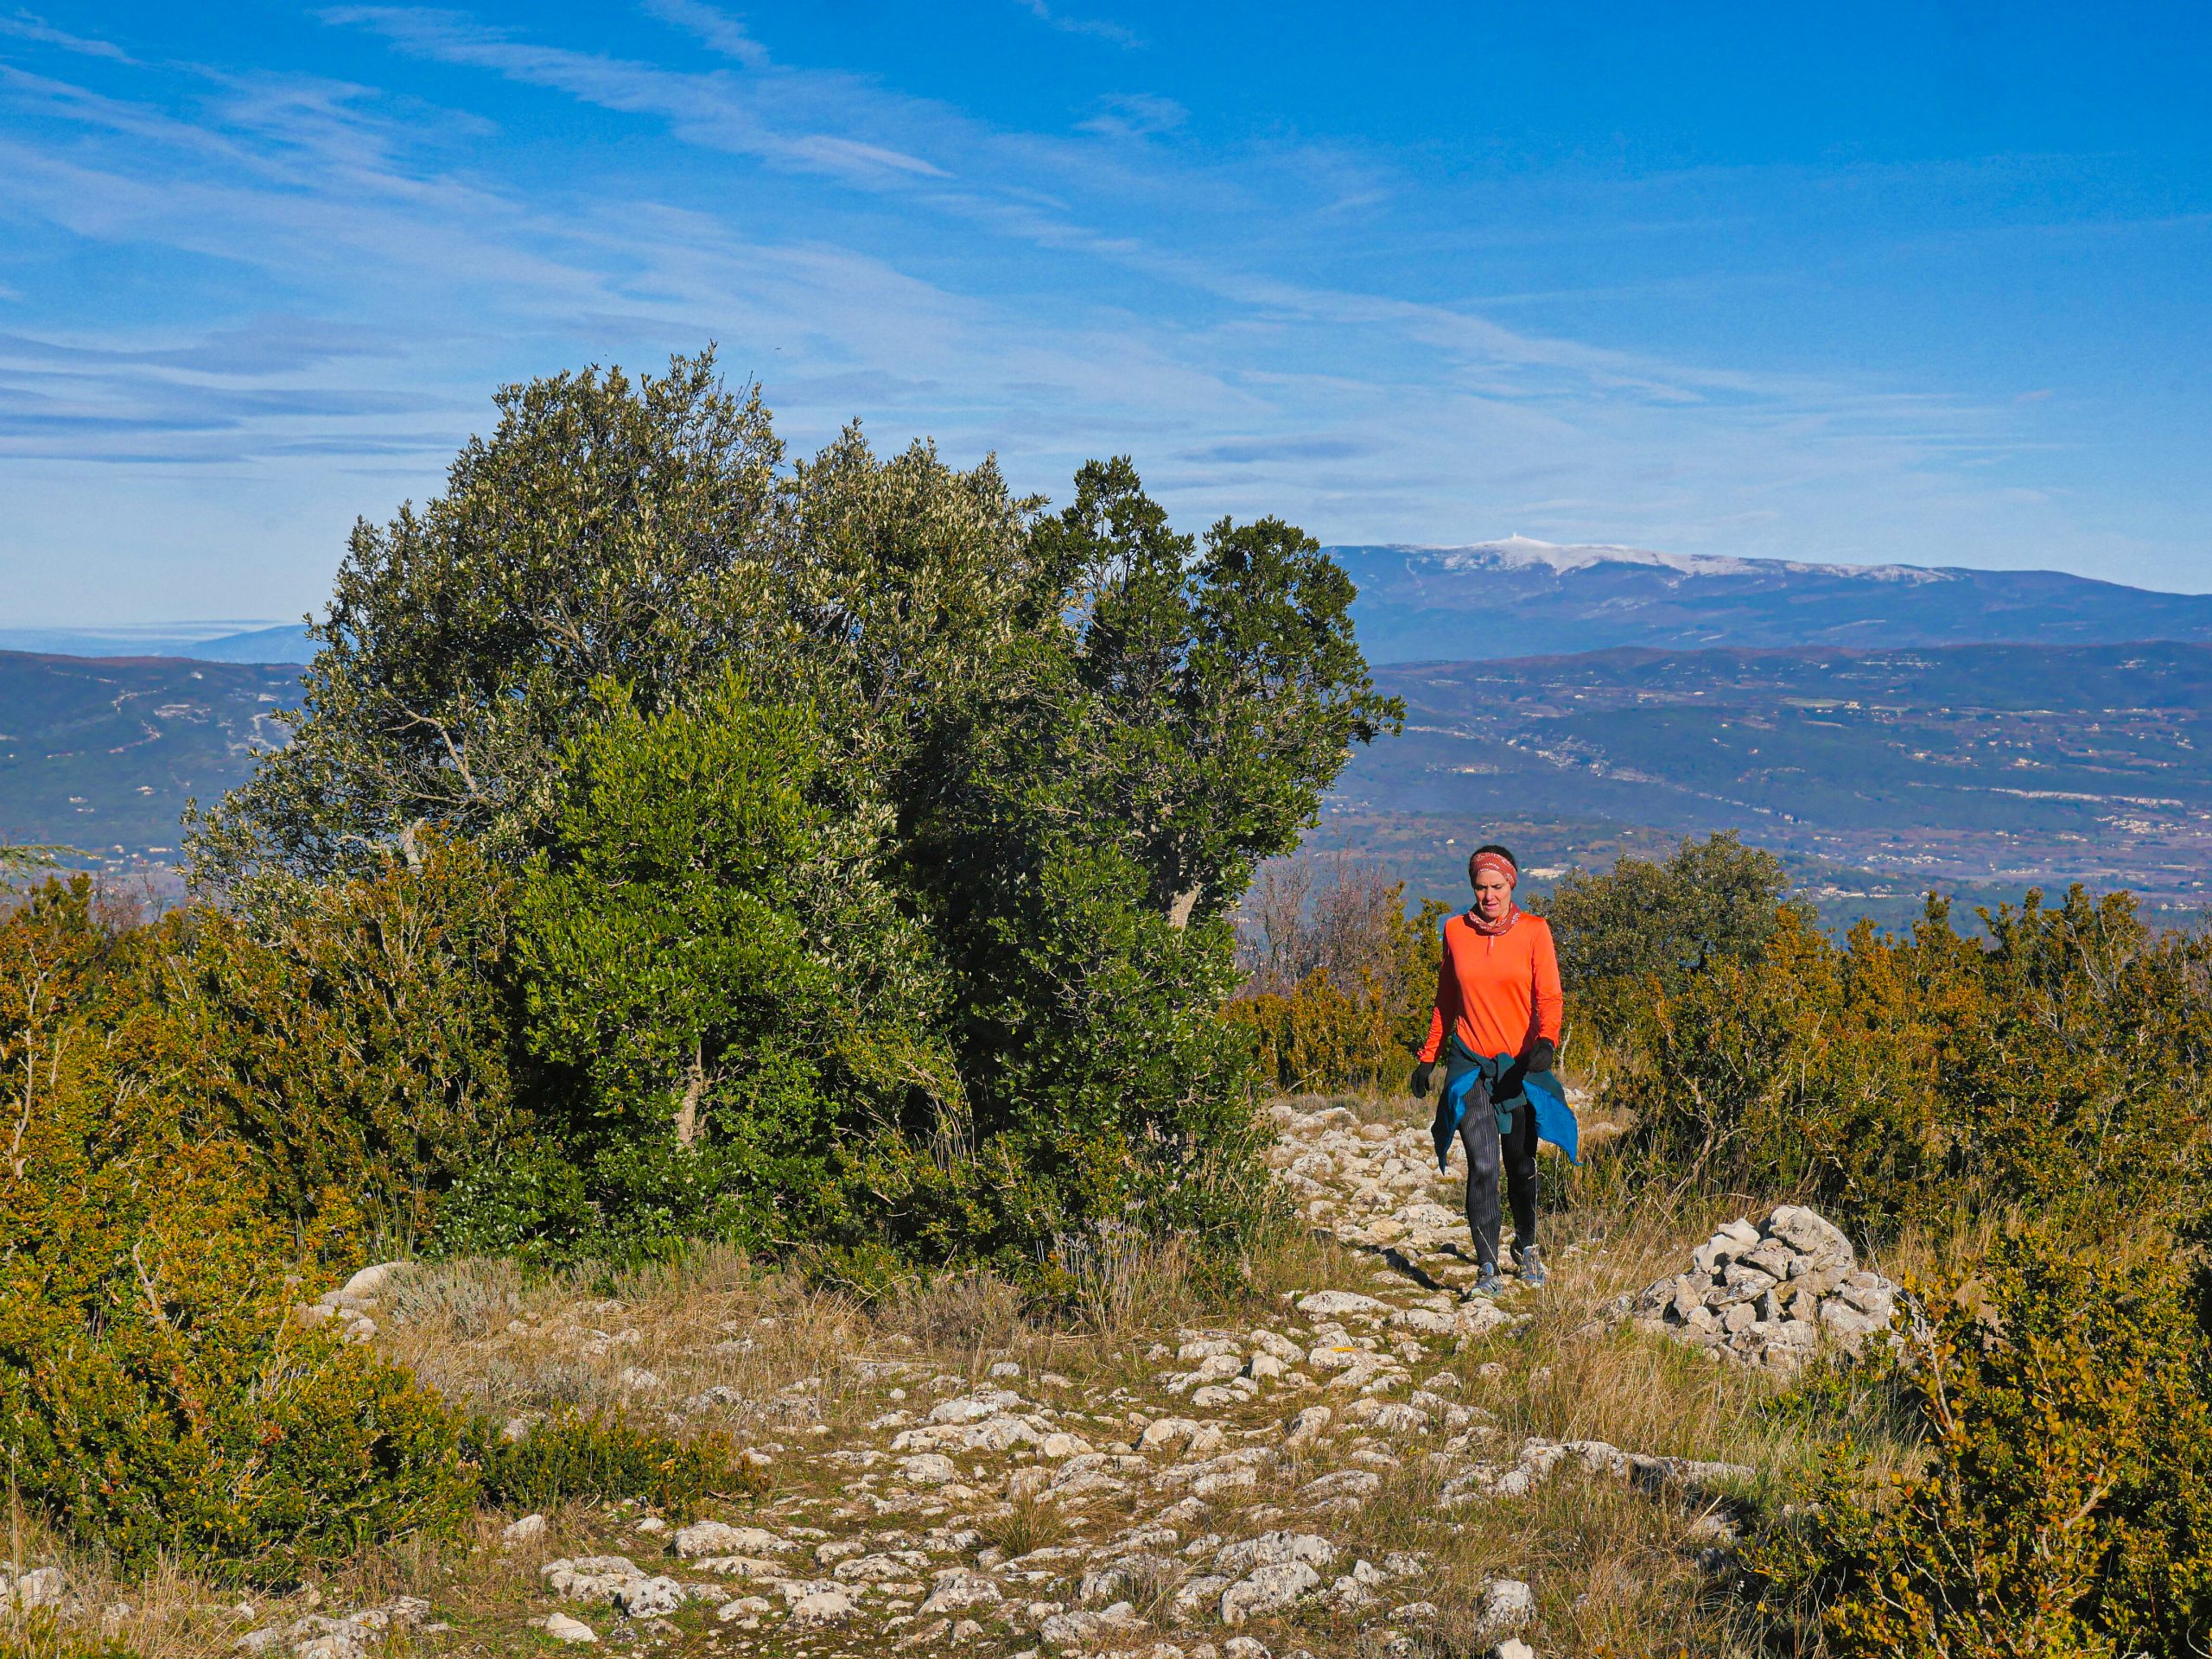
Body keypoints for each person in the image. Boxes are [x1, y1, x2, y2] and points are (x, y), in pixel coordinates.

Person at [1408, 844, 1564, 1297]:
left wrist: (1547, 1042)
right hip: (1470, 1063)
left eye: (1497, 886)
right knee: (1482, 1164)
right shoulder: (1455, 930)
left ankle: (1527, 1245)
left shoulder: (1534, 931)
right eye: (1480, 887)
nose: (1489, 896)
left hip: (1519, 1067)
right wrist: (1428, 1056)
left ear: (1511, 884)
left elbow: (1549, 996)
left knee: (1520, 1163)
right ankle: (1487, 1268)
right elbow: (1447, 999)